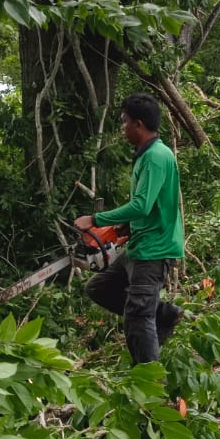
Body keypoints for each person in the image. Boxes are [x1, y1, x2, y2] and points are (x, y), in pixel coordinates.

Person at [75, 93, 184, 365]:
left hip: (155, 249)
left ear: (138, 124)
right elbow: (149, 205)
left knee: (138, 316)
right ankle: (163, 313)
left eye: (124, 122)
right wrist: (127, 225)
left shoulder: (157, 156)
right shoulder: (146, 156)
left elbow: (142, 205)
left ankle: (147, 384)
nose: (122, 128)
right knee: (99, 288)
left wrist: (97, 219)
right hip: (140, 244)